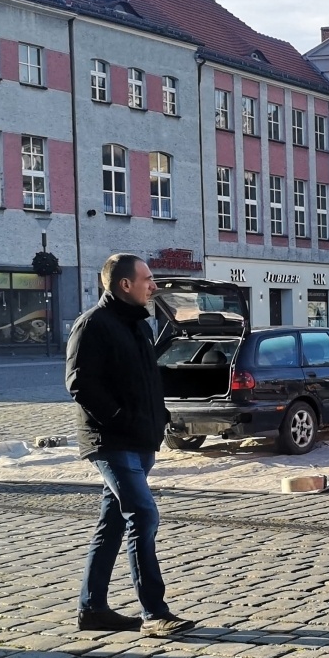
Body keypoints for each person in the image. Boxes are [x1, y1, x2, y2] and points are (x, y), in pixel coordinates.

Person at [65, 253, 194, 637]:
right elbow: (79, 383)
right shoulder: (92, 324)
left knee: (111, 524)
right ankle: (155, 613)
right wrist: (121, 419)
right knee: (143, 515)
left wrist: (161, 416)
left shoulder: (139, 326)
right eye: (148, 279)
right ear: (125, 284)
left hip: (141, 440)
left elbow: (145, 379)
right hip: (111, 440)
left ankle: (93, 610)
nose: (154, 285)